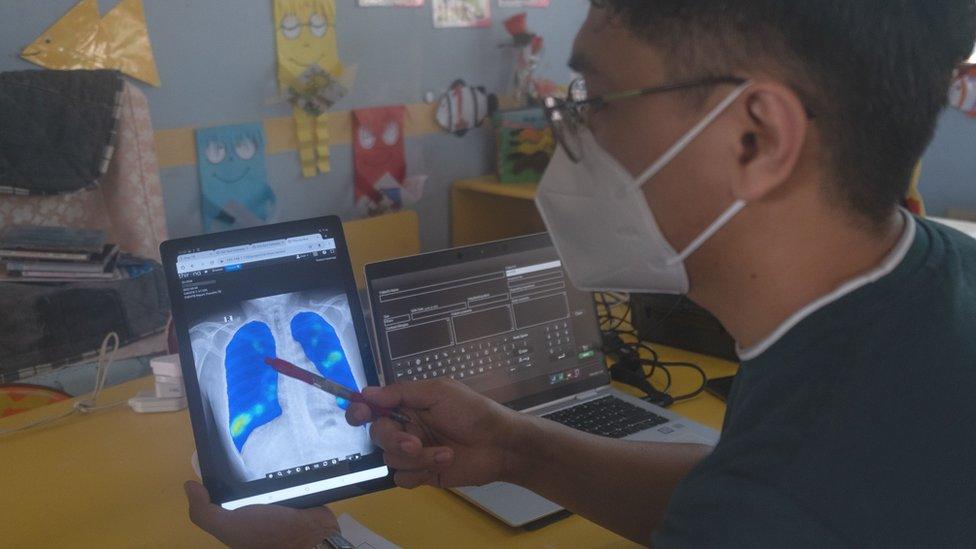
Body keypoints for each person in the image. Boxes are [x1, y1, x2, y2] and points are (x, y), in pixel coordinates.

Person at [185, 1, 976, 546]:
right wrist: (521, 448)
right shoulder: (917, 289)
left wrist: (316, 541)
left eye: (596, 97)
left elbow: (767, 507)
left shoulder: (786, 514)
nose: (567, 132)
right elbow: (739, 483)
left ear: (757, 140)